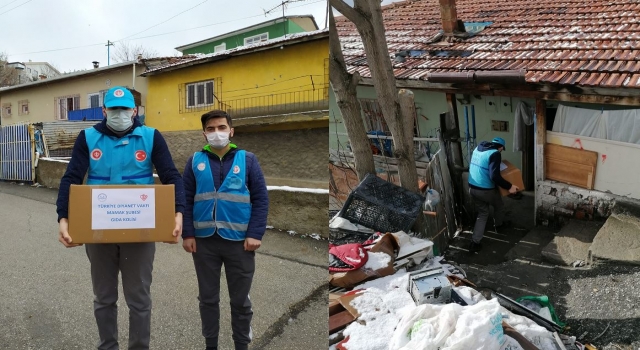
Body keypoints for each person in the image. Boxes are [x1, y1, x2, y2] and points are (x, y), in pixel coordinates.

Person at [56, 86, 185, 350]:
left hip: (140, 231)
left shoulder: (151, 137)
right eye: (113, 109)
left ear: (134, 110)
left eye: (124, 109)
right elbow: (71, 178)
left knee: (139, 299)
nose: (119, 114)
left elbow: (172, 175)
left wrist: (178, 212)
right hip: (98, 231)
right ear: (104, 111)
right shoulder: (88, 137)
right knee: (104, 298)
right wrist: (63, 217)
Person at [182, 110, 269, 350]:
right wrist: (187, 234)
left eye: (221, 127)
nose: (216, 133)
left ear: (231, 131)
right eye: (210, 129)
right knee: (208, 299)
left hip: (240, 242)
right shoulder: (194, 161)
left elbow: (261, 199)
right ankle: (211, 344)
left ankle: (241, 344)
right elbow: (185, 199)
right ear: (204, 133)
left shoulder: (247, 159)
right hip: (204, 242)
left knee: (240, 301)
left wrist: (255, 234)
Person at [467, 137, 518, 253]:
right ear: (500, 147)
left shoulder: (478, 148)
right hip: (485, 190)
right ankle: (499, 226)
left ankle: (474, 243)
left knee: (483, 213)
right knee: (499, 205)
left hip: (472, 187)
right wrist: (509, 186)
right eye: (502, 149)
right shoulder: (495, 153)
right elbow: (494, 176)